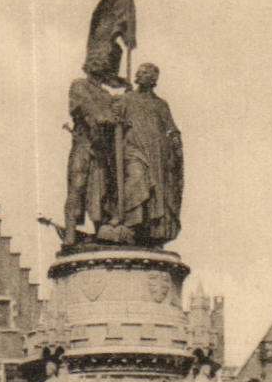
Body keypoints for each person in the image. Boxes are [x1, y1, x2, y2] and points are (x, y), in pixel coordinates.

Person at [114, 63, 184, 248]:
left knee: (156, 193)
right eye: (139, 71)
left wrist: (175, 140)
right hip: (134, 149)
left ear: (154, 79)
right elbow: (114, 119)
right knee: (136, 179)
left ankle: (147, 232)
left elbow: (170, 128)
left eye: (146, 72)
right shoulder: (126, 99)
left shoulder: (161, 104)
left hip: (157, 154)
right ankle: (129, 224)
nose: (140, 74)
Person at [63, 50, 124, 246]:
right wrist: (107, 118)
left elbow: (115, 118)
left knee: (101, 191)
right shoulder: (79, 85)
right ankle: (70, 234)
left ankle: (101, 232)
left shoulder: (107, 95)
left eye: (103, 63)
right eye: (96, 62)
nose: (100, 66)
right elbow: (88, 111)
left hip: (102, 151)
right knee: (77, 186)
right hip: (83, 144)